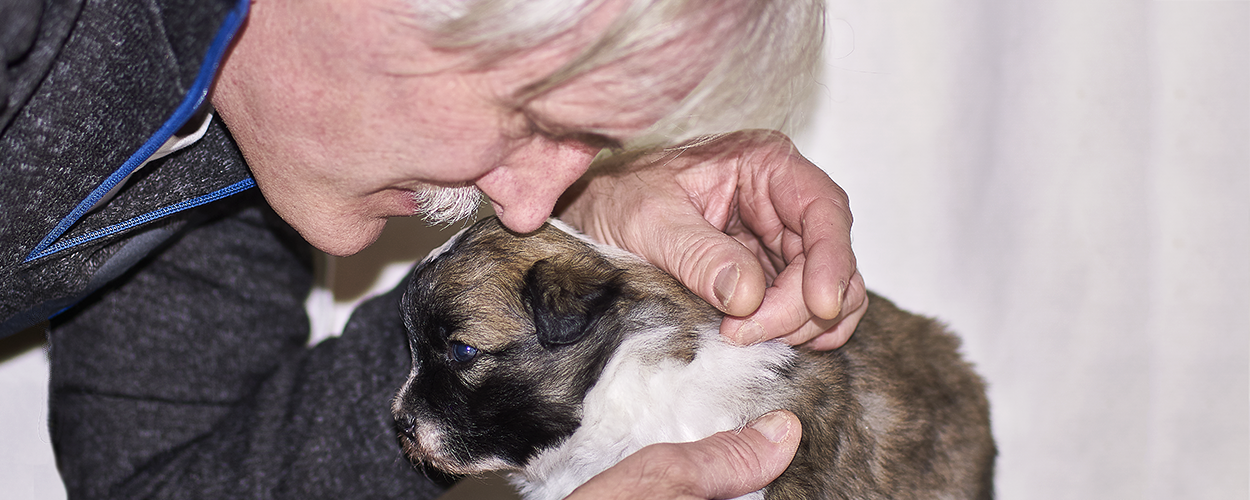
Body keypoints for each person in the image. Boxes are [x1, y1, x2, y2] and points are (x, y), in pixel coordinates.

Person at [0, 0, 867, 498]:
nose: (532, 203)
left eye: (590, 148)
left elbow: (157, 482)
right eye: (536, 122)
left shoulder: (240, 146)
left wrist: (563, 266)